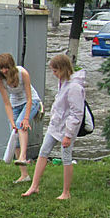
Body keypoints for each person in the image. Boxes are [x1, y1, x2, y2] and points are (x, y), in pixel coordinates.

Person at [22, 54, 86, 200]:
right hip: (55, 125)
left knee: (66, 157)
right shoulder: (63, 82)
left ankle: (66, 192)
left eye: (55, 71)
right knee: (43, 151)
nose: (54, 74)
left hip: (67, 129)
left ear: (63, 69)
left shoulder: (74, 87)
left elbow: (76, 114)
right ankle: (34, 185)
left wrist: (68, 135)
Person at [0, 52, 42, 184]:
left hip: (31, 102)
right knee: (15, 133)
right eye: (1, 68)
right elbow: (7, 103)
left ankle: (23, 156)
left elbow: (30, 97)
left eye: (6, 68)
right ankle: (24, 175)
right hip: (15, 105)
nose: (4, 71)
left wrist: (26, 118)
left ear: (11, 66)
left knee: (21, 124)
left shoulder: (22, 73)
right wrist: (11, 121)